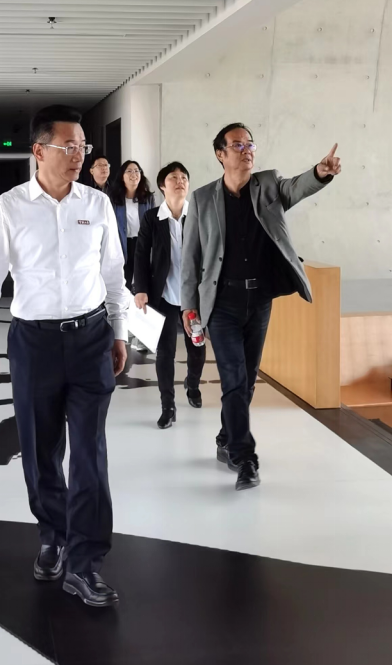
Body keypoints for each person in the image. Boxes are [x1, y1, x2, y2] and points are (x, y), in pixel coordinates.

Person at [0, 105, 129, 608]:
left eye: (83, 146)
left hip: (90, 338)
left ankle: (85, 563)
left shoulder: (97, 204)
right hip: (33, 343)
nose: (79, 155)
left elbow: (113, 274)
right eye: (69, 146)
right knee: (40, 452)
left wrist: (119, 332)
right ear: (39, 151)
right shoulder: (8, 208)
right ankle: (53, 535)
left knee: (90, 453)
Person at [181, 124, 341, 491]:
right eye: (237, 145)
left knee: (247, 380)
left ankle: (226, 437)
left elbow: (296, 187)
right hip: (221, 303)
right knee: (234, 378)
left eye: (250, 144)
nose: (247, 150)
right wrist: (189, 308)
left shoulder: (268, 184)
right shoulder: (202, 199)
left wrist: (320, 172)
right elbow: (190, 259)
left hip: (260, 301)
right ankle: (244, 457)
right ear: (221, 154)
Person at [134, 162, 206, 429]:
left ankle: (193, 385)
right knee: (165, 352)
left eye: (184, 177)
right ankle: (168, 406)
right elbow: (141, 254)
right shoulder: (152, 218)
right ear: (162, 186)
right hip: (163, 294)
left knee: (196, 346)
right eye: (173, 178)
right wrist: (140, 289)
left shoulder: (197, 214)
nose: (180, 181)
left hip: (192, 296)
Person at [110, 160, 155, 291]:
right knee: (125, 280)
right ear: (122, 176)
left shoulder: (148, 198)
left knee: (143, 276)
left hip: (142, 242)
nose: (133, 174)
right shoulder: (113, 198)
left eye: (136, 171)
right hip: (122, 243)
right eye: (129, 171)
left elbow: (153, 223)